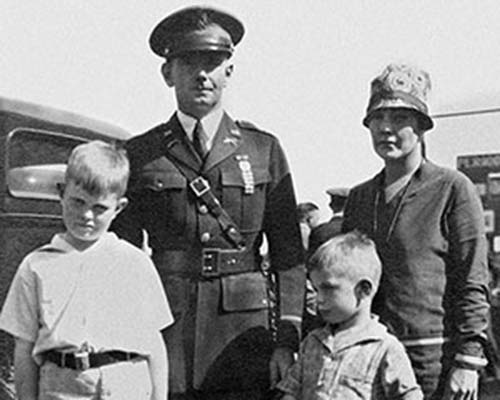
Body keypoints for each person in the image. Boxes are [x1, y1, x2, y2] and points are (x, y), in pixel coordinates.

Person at [111, 6, 305, 400]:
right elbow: (123, 254)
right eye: (189, 63)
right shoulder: (141, 152)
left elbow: (287, 252)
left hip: (244, 333)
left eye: (213, 63)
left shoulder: (263, 149)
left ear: (228, 72)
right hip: (167, 323)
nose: (202, 74)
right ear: (168, 73)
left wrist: (287, 337)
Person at [342, 63, 491, 399]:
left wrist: (468, 361)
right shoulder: (360, 198)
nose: (385, 129)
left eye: (399, 118)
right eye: (377, 119)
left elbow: (472, 278)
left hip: (432, 361)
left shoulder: (452, 189)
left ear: (422, 126)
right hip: (370, 360)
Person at [0, 141, 173, 400]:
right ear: (61, 194)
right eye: (77, 202)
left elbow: (154, 344)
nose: (87, 216)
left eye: (99, 207)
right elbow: (24, 348)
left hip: (126, 382)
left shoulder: (134, 263)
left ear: (119, 208)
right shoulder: (36, 266)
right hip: (62, 385)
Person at [276, 231, 423, 400]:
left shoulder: (384, 348)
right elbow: (292, 390)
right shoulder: (312, 343)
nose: (319, 299)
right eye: (316, 290)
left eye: (329, 289)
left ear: (363, 290)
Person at [301, 187, 351, 338]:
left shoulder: (320, 232)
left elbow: (311, 266)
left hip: (324, 295)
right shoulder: (356, 230)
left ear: (331, 205)